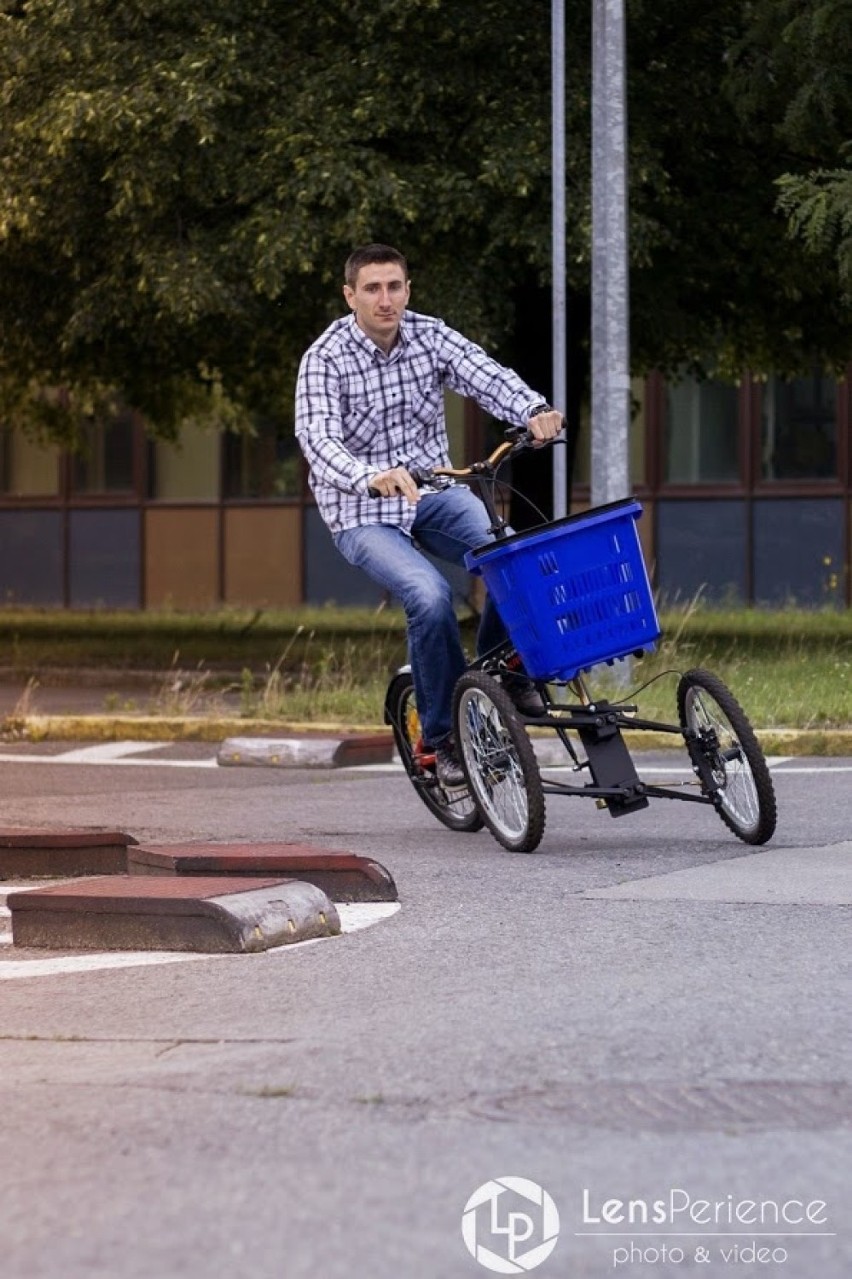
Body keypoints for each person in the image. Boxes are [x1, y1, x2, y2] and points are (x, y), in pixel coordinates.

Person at [295, 243, 563, 787]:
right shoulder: (324, 358)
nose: (385, 299)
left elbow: (484, 373)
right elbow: (317, 438)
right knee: (429, 595)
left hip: (431, 490)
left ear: (407, 289)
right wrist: (367, 474)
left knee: (513, 556)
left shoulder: (429, 334)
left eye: (394, 286)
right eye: (372, 289)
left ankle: (496, 673)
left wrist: (532, 409)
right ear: (351, 296)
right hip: (361, 508)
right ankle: (440, 739)